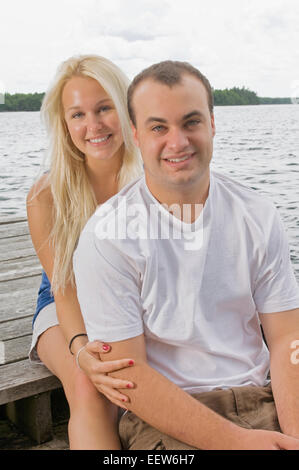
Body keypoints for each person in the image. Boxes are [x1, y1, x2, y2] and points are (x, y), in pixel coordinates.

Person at [73, 60, 299, 450]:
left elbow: (287, 341)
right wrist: (237, 442)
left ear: (212, 124)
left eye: (191, 122)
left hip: (265, 398)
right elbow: (130, 377)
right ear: (136, 136)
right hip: (166, 421)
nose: (177, 142)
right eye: (159, 127)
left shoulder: (257, 214)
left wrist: (294, 435)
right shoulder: (106, 236)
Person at [26, 54, 143, 449]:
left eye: (104, 108)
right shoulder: (46, 195)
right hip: (64, 307)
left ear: (127, 109)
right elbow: (64, 289)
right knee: (90, 384)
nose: (92, 125)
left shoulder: (155, 177)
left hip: (131, 300)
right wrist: (81, 351)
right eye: (77, 114)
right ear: (64, 125)